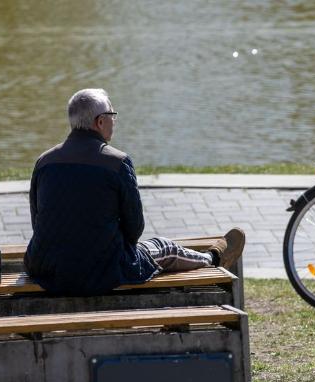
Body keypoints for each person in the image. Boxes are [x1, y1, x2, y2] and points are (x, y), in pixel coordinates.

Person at [23, 88, 245, 296]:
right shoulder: (117, 162)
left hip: (47, 269)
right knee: (163, 247)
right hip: (103, 271)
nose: (114, 120)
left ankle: (212, 257)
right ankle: (213, 258)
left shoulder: (44, 162)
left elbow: (37, 222)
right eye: (112, 114)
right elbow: (134, 229)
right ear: (100, 122)